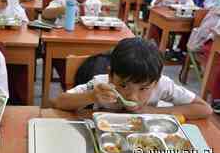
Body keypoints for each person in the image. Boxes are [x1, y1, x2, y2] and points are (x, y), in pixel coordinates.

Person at [52, 37, 212, 120]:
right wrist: (92, 96)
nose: (132, 97)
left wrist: (153, 111)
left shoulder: (162, 84)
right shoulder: (101, 84)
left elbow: (204, 108)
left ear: (155, 82)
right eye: (123, 85)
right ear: (110, 75)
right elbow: (60, 101)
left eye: (143, 88)